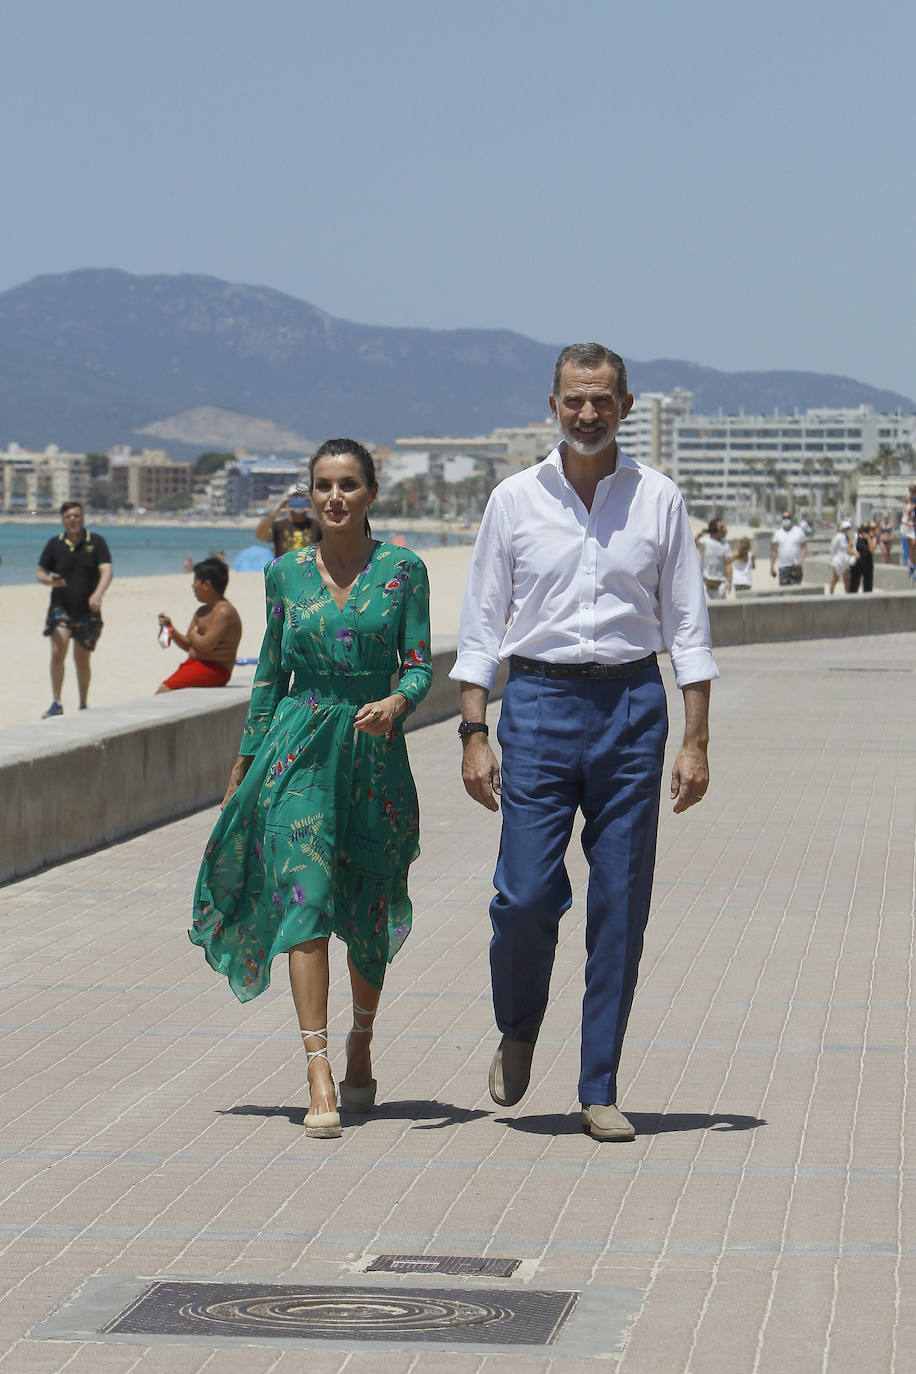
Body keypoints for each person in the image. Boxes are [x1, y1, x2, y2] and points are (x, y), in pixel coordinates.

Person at [451, 342, 718, 1143]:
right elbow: (481, 628)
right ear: (554, 405)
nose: (588, 413)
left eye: (602, 400)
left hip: (634, 706)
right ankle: (519, 1025)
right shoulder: (513, 500)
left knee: (620, 904)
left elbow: (688, 630)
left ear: (627, 407)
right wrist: (474, 730)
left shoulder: (659, 499)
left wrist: (696, 740)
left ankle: (598, 1084)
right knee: (525, 896)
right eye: (574, 400)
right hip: (536, 702)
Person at [191, 440, 432, 1139]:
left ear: (370, 493)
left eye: (348, 485)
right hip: (298, 750)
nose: (334, 498)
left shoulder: (403, 571)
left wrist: (396, 704)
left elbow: (417, 665)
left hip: (371, 754)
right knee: (308, 898)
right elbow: (270, 673)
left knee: (365, 905)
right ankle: (318, 1066)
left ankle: (361, 1042)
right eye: (323, 485)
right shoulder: (284, 575)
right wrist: (245, 759)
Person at [36, 501, 113, 717]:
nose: (73, 519)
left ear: (83, 518)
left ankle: (83, 704)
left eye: (77, 516)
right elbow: (40, 572)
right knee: (58, 651)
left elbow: (107, 570)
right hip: (61, 607)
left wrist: (98, 594)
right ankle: (57, 702)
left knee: (82, 659)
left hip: (88, 610)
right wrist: (49, 580)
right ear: (62, 520)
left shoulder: (96, 542)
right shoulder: (54, 544)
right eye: (69, 516)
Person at [156, 557, 243, 692]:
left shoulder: (224, 611)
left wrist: (192, 634)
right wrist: (171, 629)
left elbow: (205, 646)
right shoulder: (202, 611)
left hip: (216, 669)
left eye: (195, 582)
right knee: (167, 689)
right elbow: (188, 645)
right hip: (197, 665)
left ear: (206, 585)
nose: (192, 587)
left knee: (164, 690)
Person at [255, 487, 317, 557]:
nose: (298, 500)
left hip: (309, 567)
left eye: (302, 497)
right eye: (295, 497)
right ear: (288, 500)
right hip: (284, 567)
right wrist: (275, 513)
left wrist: (316, 509)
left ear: (308, 500)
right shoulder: (279, 526)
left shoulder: (317, 525)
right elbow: (260, 535)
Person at [696, 519, 732, 599]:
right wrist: (702, 533)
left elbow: (728, 564)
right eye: (721, 527)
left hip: (720, 585)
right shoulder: (704, 542)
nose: (724, 530)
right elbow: (693, 543)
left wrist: (729, 581)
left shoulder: (726, 545)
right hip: (706, 584)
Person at [770, 511, 807, 586]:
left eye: (788, 517)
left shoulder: (799, 532)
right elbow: (774, 551)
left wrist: (800, 561)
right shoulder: (778, 533)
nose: (786, 519)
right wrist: (772, 567)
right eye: (784, 518)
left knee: (796, 590)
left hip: (795, 567)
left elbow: (804, 547)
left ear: (791, 519)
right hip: (783, 567)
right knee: (784, 592)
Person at [848, 522, 876, 593]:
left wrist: (868, 539)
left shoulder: (872, 537)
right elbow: (848, 548)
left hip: (867, 564)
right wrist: (854, 552)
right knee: (853, 584)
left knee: (868, 586)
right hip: (856, 564)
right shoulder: (855, 536)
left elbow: (872, 550)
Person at [829, 521, 853, 595]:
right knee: (835, 578)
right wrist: (833, 559)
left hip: (846, 560)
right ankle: (831, 593)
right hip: (838, 561)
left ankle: (847, 593)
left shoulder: (847, 536)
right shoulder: (838, 537)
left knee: (847, 579)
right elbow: (833, 549)